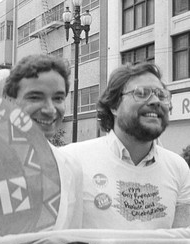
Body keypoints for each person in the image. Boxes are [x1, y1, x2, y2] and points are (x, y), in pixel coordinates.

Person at [61, 62, 190, 229]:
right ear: (114, 106)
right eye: (141, 93)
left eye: (161, 95)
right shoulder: (71, 160)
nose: (156, 101)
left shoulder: (178, 168)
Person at [0, 54, 83, 230]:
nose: (50, 109)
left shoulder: (71, 168)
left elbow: (70, 240)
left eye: (58, 98)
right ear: (9, 100)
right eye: (35, 97)